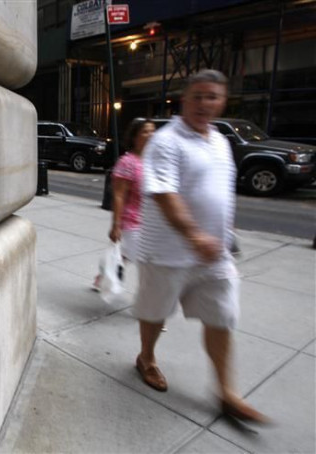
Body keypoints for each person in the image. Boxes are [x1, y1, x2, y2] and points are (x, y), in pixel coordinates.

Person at [133, 69, 268, 423]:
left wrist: (225, 232)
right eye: (198, 96)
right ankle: (146, 357)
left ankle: (226, 393)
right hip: (166, 252)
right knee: (155, 312)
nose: (204, 104)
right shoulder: (165, 141)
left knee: (221, 316)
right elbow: (164, 194)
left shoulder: (221, 140)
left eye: (212, 97)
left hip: (213, 255)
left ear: (223, 102)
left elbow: (220, 192)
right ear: (184, 99)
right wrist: (195, 235)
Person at [93, 119, 155, 291]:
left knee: (124, 255)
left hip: (148, 222)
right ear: (135, 137)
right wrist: (116, 226)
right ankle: (148, 303)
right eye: (145, 131)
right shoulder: (127, 163)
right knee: (148, 264)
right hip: (132, 223)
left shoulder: (152, 161)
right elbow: (118, 196)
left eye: (152, 131)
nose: (151, 135)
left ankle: (104, 274)